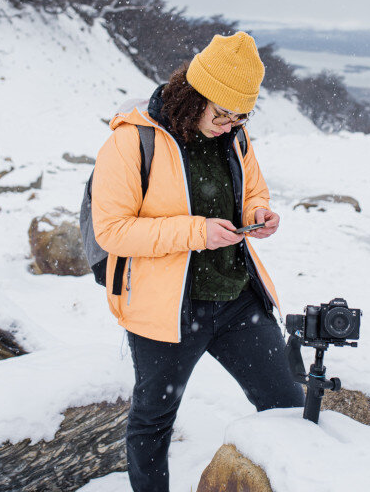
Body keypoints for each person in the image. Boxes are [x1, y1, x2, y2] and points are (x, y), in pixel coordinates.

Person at [91, 31, 305, 492]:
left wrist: (256, 214)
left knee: (288, 407)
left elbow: (251, 189)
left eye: (240, 116)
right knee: (152, 423)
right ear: (194, 95)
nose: (229, 124)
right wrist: (196, 232)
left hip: (237, 301)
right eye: (222, 113)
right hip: (165, 309)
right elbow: (112, 230)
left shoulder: (235, 137)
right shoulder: (132, 142)